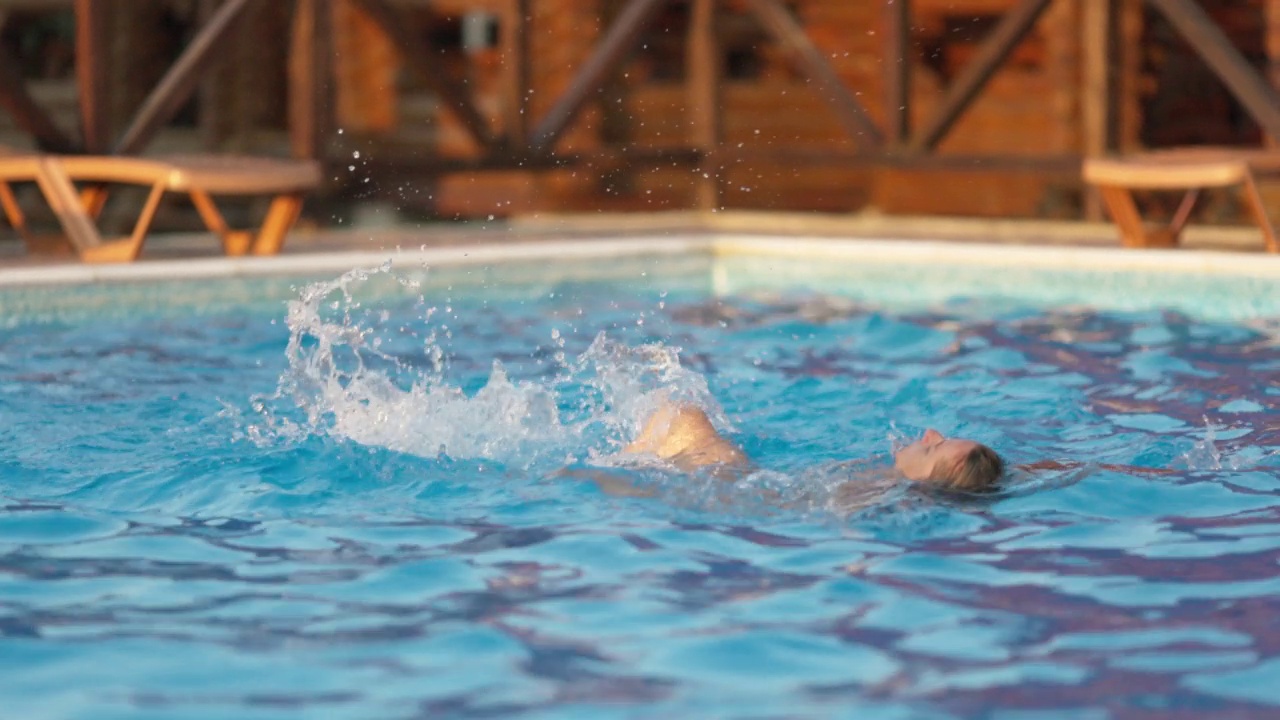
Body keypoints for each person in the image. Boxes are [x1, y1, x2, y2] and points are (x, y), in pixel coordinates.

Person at [622, 402, 1006, 493]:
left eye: (930, 449)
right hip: (750, 486)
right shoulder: (905, 483)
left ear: (918, 483)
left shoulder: (880, 493)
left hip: (734, 484)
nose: (929, 433)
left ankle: (617, 465)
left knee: (685, 416)